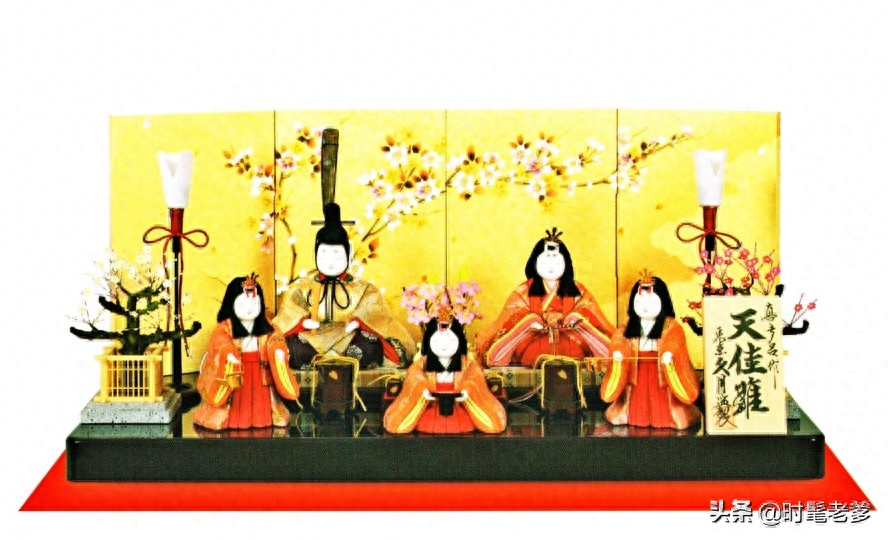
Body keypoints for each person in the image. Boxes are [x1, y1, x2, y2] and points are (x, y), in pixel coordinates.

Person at [273, 202, 417, 369]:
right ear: (316, 254)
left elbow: (378, 318)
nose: (330, 261)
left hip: (350, 341)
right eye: (324, 254)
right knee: (292, 346)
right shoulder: (302, 287)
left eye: (337, 255)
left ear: (348, 255)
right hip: (312, 342)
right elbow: (286, 320)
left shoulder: (364, 288)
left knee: (369, 344)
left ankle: (345, 368)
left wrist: (359, 323)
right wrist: (303, 323)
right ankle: (318, 367)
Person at [474, 227, 615, 367]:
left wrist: (569, 319)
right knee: (522, 319)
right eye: (546, 262)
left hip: (571, 340)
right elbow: (506, 319)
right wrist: (532, 320)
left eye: (556, 262)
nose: (551, 266)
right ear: (535, 262)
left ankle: (590, 338)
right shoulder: (524, 290)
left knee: (582, 317)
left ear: (566, 263)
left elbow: (598, 319)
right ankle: (524, 328)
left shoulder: (576, 289)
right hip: (532, 341)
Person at [193, 274, 300, 430]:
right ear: (232, 303)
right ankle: (235, 420)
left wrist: (277, 350)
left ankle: (261, 420)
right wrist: (228, 353)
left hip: (260, 372)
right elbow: (220, 342)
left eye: (255, 303)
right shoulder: (225, 327)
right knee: (237, 399)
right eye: (243, 303)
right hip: (237, 371)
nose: (250, 308)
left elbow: (276, 338)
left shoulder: (268, 326)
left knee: (259, 400)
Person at [599, 271, 701, 430]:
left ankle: (665, 419)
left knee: (659, 397)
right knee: (638, 397)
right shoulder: (629, 326)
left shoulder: (670, 325)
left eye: (651, 302)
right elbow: (619, 339)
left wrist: (669, 352)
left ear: (663, 302)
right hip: (637, 369)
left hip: (661, 370)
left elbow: (675, 340)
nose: (644, 306)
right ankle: (635, 417)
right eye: (639, 301)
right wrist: (618, 351)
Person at [383, 315, 507, 434]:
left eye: (451, 340)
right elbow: (414, 375)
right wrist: (422, 389)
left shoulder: (466, 362)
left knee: (480, 423)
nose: (444, 345)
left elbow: (474, 376)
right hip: (431, 407)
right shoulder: (423, 362)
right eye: (437, 340)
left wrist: (467, 390)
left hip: (459, 407)